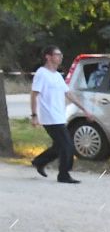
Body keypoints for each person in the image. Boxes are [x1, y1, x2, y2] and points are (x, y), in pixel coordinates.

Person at [29, 45, 84, 184]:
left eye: (61, 55)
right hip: (50, 117)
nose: (60, 57)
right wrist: (34, 115)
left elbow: (68, 94)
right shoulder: (41, 73)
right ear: (48, 56)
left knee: (59, 146)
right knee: (67, 146)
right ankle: (63, 175)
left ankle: (39, 161)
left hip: (59, 115)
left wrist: (84, 109)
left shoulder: (57, 75)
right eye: (57, 54)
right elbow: (34, 95)